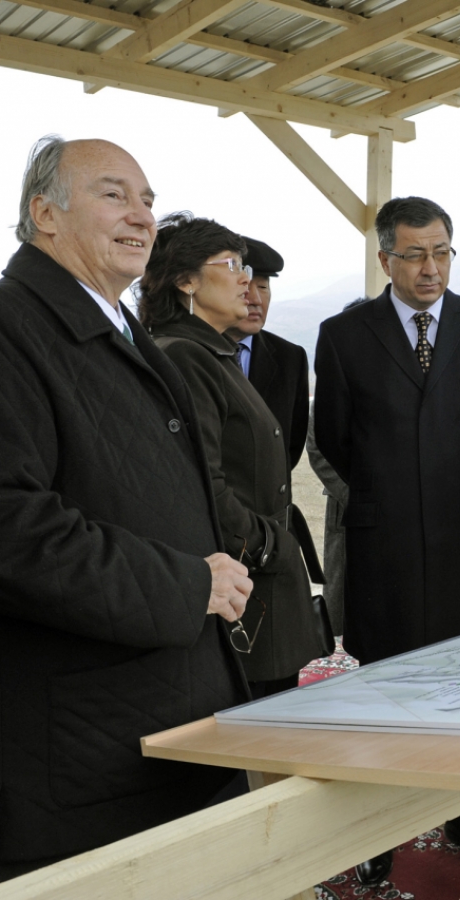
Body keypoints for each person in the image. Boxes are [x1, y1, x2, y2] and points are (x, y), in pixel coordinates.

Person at [0, 137, 251, 896]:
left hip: (153, 753)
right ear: (43, 214)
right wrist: (188, 586)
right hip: (56, 778)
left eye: (149, 200)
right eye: (114, 194)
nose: (141, 215)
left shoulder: (125, 334)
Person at [314, 196, 460, 874]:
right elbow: (337, 439)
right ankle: (376, 835)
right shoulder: (344, 335)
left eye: (441, 252)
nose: (430, 269)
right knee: (385, 691)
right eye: (414, 255)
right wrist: (388, 495)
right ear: (385, 260)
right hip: (387, 543)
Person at [141, 214, 328, 698]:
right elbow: (201, 483)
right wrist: (269, 545)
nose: (247, 279)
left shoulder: (213, 352)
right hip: (243, 590)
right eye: (231, 264)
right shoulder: (185, 355)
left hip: (260, 590)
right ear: (186, 281)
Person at [305, 297, 372, 640]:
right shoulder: (329, 388)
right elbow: (317, 449)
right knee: (343, 588)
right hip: (344, 508)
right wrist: (353, 494)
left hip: (392, 509)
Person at [224, 237, 310, 471]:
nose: (256, 300)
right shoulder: (191, 351)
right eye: (245, 287)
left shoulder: (290, 358)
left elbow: (290, 448)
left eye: (263, 287)